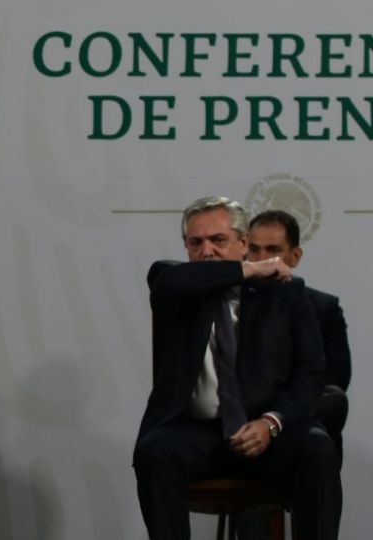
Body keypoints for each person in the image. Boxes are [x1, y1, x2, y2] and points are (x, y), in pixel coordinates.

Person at [133, 196, 341, 540]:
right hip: (198, 434)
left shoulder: (285, 293)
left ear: (242, 243)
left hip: (268, 431)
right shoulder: (174, 286)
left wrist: (271, 422)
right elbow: (170, 281)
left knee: (318, 448)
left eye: (218, 240)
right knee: (154, 452)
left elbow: (311, 375)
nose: (207, 251)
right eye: (196, 242)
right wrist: (251, 268)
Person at [234, 210, 352, 540]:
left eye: (272, 250)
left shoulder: (321, 306)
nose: (261, 259)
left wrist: (279, 416)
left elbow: (336, 379)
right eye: (253, 250)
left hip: (300, 421)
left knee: (328, 411)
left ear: (294, 256)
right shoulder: (232, 303)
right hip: (247, 427)